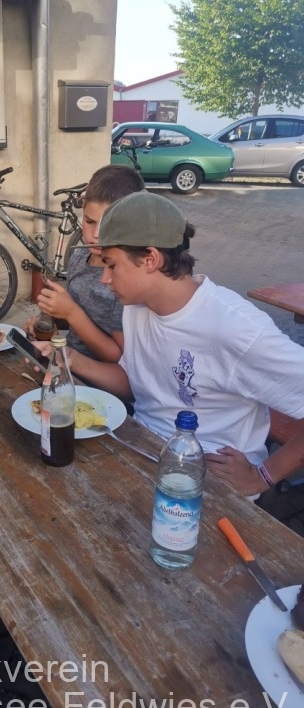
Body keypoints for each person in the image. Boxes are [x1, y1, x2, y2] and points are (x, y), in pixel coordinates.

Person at [47, 190, 304, 499]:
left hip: (207, 482)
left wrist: (263, 475)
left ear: (150, 259)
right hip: (141, 448)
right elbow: (137, 384)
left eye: (111, 265)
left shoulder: (236, 329)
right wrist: (69, 359)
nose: (104, 278)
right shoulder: (137, 307)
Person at [26, 165, 145, 362]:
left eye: (107, 225)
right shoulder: (79, 257)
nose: (96, 234)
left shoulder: (125, 279)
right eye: (89, 222)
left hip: (99, 376)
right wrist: (49, 323)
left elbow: (119, 358)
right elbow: (77, 323)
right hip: (66, 362)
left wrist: (72, 313)